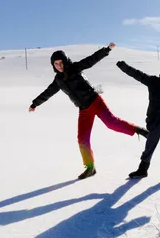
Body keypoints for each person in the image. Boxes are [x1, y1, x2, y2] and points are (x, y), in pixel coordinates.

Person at [29, 43, 149, 179]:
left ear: (65, 61)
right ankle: (90, 167)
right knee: (82, 139)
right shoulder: (58, 80)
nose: (59, 66)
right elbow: (48, 92)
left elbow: (91, 60)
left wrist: (106, 50)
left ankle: (139, 130)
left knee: (112, 123)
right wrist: (35, 103)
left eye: (61, 62)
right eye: (56, 64)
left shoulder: (75, 68)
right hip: (83, 110)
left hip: (95, 101)